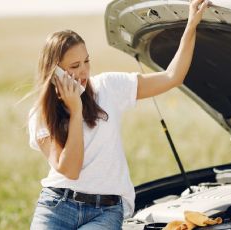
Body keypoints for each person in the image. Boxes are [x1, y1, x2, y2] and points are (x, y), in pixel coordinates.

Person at [28, 0, 209, 229]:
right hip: (57, 205)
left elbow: (172, 77)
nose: (84, 71)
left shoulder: (107, 87)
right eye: (74, 66)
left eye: (86, 61)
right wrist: (75, 112)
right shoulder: (40, 114)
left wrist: (191, 25)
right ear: (55, 72)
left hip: (106, 211)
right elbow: (70, 170)